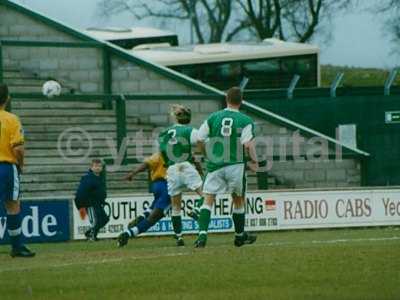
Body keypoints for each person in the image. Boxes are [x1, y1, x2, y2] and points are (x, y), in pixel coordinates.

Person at [195, 87, 258, 248]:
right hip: (235, 166)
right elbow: (247, 144)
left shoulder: (213, 117)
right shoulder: (246, 120)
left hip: (215, 165)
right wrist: (254, 161)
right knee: (238, 200)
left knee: (208, 199)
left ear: (226, 99)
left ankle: (202, 236)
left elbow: (199, 139)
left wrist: (207, 154)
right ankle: (238, 236)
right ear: (241, 101)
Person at [158, 104, 204, 246]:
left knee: (175, 206)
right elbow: (200, 141)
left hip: (172, 168)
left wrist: (167, 164)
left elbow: (162, 153)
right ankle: (195, 210)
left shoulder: (164, 133)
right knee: (206, 194)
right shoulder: (189, 130)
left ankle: (179, 237)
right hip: (185, 166)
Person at [0, 84, 35, 257]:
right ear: (7, 98)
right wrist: (21, 164)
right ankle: (17, 247)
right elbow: (18, 149)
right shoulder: (11, 119)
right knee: (12, 206)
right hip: (5, 167)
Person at [118, 152, 181, 247]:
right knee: (155, 217)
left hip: (157, 185)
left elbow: (147, 164)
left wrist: (133, 173)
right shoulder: (179, 154)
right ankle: (128, 233)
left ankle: (143, 215)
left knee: (156, 205)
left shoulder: (160, 154)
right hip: (168, 186)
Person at [75, 159, 109, 241]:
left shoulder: (100, 178)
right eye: (96, 166)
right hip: (90, 204)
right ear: (91, 167)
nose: (98, 168)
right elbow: (81, 192)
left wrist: (102, 200)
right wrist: (80, 205)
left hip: (98, 204)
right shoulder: (88, 178)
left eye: (99, 166)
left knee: (104, 219)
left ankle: (89, 233)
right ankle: (92, 237)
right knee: (95, 221)